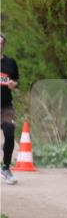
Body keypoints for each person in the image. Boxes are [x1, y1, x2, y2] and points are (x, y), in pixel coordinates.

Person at [1, 33, 20, 185]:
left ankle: (5, 167)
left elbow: (15, 81)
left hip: (6, 106)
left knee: (9, 133)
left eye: (1, 43)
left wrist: (14, 85)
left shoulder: (10, 63)